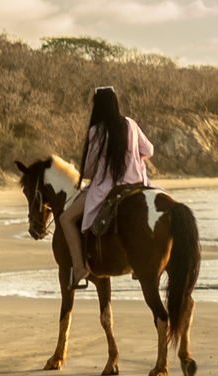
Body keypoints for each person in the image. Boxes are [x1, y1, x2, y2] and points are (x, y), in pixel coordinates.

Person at [61, 84, 154, 289]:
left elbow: (87, 171)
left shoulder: (97, 130)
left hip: (108, 189)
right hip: (138, 184)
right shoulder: (130, 124)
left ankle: (79, 268)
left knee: (66, 218)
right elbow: (149, 150)